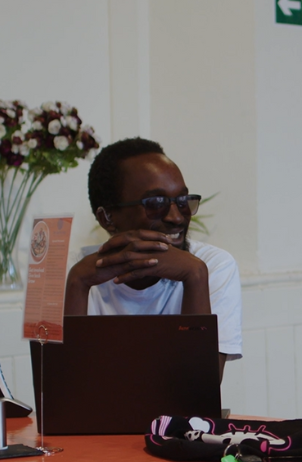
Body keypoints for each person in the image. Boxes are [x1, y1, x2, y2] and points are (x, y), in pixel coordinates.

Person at [64, 137, 242, 379]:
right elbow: (61, 388)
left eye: (183, 201)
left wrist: (195, 276)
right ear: (107, 218)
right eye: (156, 203)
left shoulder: (213, 266)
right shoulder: (69, 271)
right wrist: (77, 283)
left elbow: (201, 386)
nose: (176, 217)